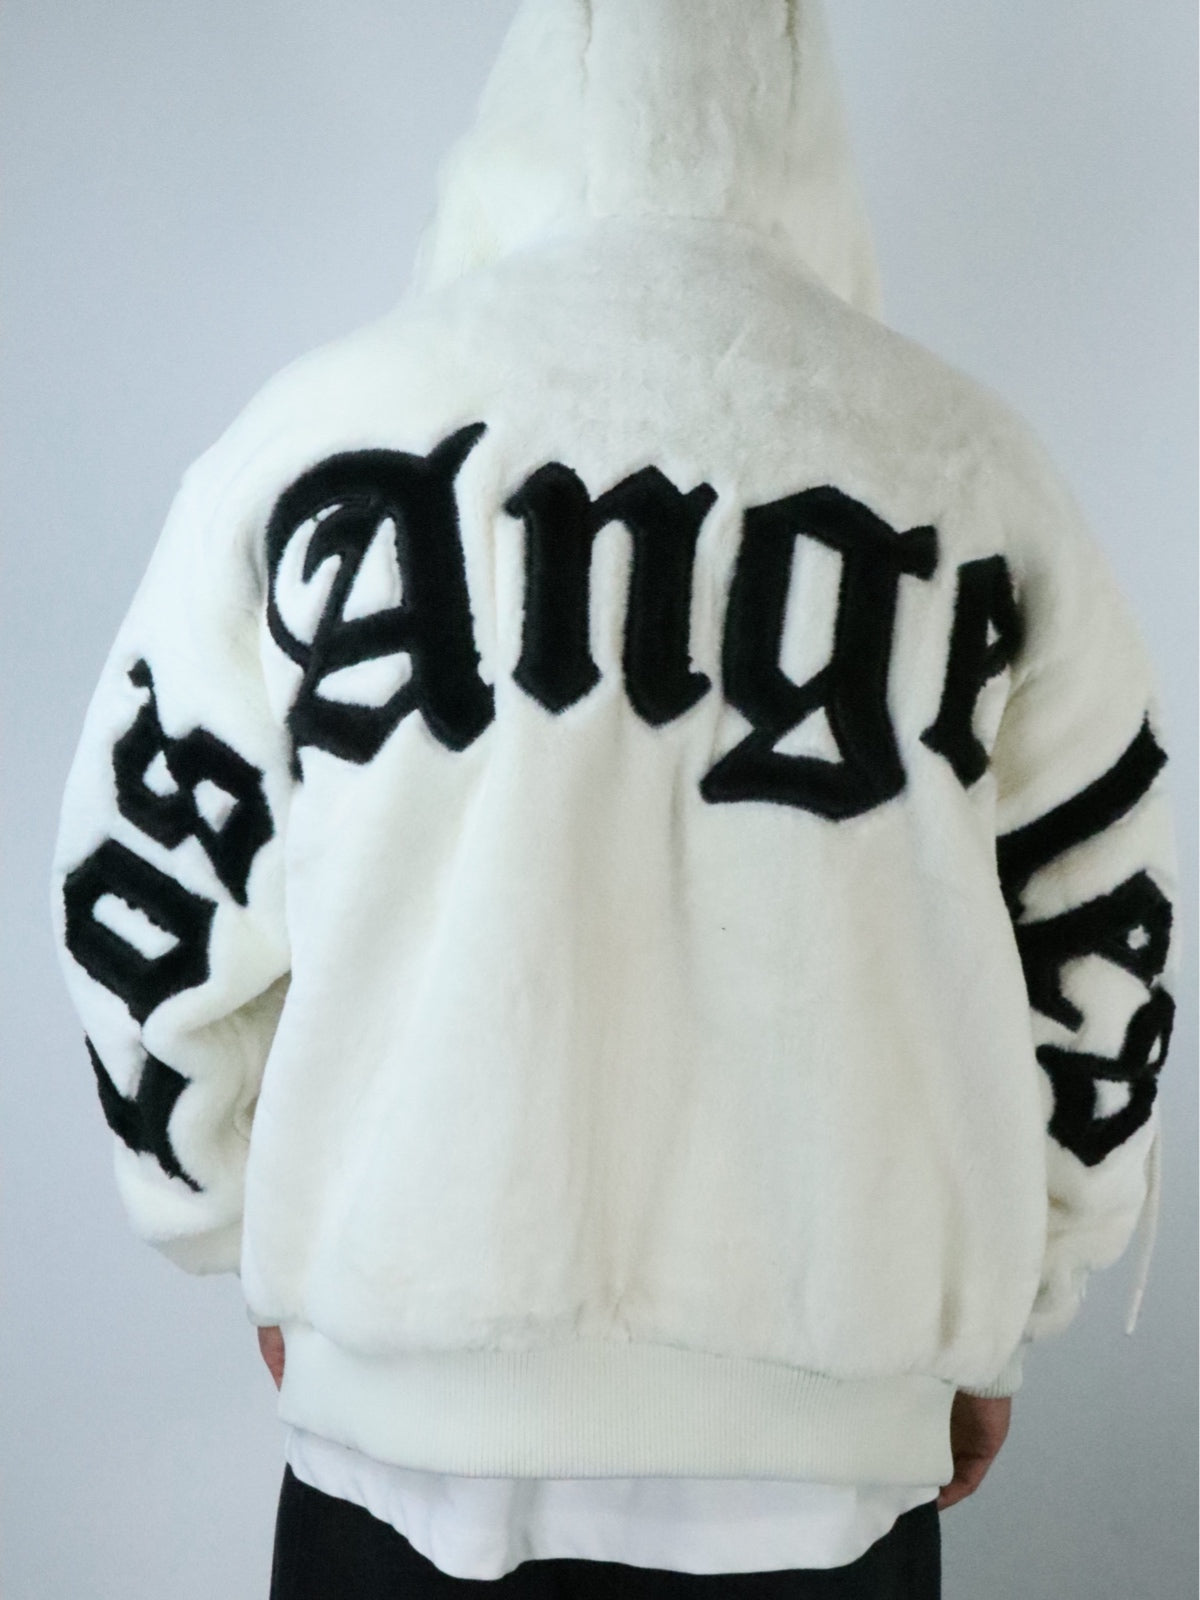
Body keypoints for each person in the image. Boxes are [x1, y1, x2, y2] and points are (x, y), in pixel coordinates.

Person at [48, 0, 1179, 1593]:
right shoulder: (976, 473)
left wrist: (237, 1222)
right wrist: (1007, 1301)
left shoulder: (312, 439)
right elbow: (1103, 929)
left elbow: (145, 896)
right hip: (829, 1476)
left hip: (401, 1467)